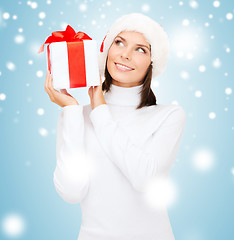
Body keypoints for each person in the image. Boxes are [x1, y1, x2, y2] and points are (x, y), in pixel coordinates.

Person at [44, 12, 186, 240]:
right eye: (119, 43)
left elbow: (145, 180)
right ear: (107, 50)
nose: (125, 54)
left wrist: (100, 111)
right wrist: (71, 110)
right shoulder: (75, 116)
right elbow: (72, 192)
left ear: (152, 62)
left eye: (141, 49)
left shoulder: (168, 116)